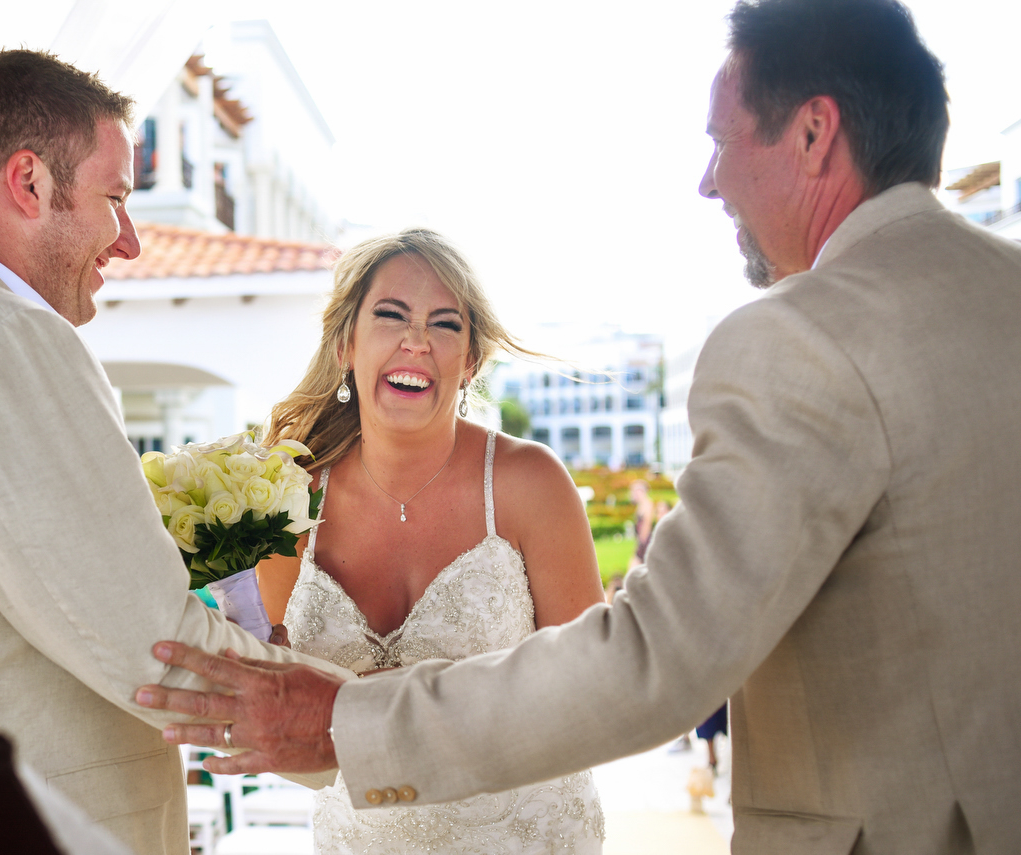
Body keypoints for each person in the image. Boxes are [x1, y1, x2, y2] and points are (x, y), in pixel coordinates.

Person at [134, 1, 1021, 852]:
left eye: (720, 141)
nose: (708, 181)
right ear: (345, 342)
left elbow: (657, 657)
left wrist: (338, 720)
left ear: (815, 132)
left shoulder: (800, 335)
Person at [0, 50, 351, 855]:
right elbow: (153, 648)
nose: (127, 241)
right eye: (115, 198)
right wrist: (388, 732)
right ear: (30, 182)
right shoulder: (5, 342)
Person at [255, 229, 606, 852]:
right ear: (346, 344)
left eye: (445, 324)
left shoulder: (530, 484)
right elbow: (284, 715)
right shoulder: (287, 500)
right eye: (390, 315)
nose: (415, 340)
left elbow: (594, 693)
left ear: (469, 361)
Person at [627, 479, 654, 569]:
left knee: (634, 567)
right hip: (642, 541)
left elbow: (646, 526)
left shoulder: (647, 504)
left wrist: (640, 544)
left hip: (645, 542)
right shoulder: (640, 505)